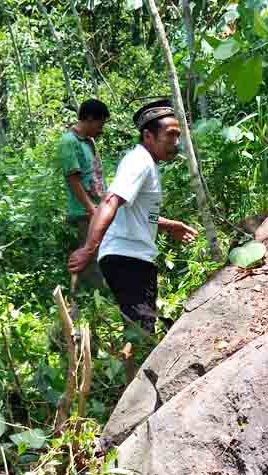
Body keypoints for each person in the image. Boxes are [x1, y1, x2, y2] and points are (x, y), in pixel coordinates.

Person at [67, 99, 197, 340]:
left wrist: (170, 226)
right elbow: (110, 201)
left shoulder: (147, 164)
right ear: (148, 136)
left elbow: (135, 212)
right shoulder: (139, 162)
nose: (175, 142)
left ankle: (132, 376)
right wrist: (88, 249)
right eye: (170, 135)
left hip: (133, 257)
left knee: (139, 331)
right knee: (141, 335)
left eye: (178, 135)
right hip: (128, 258)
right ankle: (135, 378)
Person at [57, 99, 110, 250]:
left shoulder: (89, 141)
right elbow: (73, 180)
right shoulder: (69, 142)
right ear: (89, 119)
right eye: (100, 125)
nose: (101, 130)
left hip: (98, 211)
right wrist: (91, 209)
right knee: (90, 259)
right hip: (85, 214)